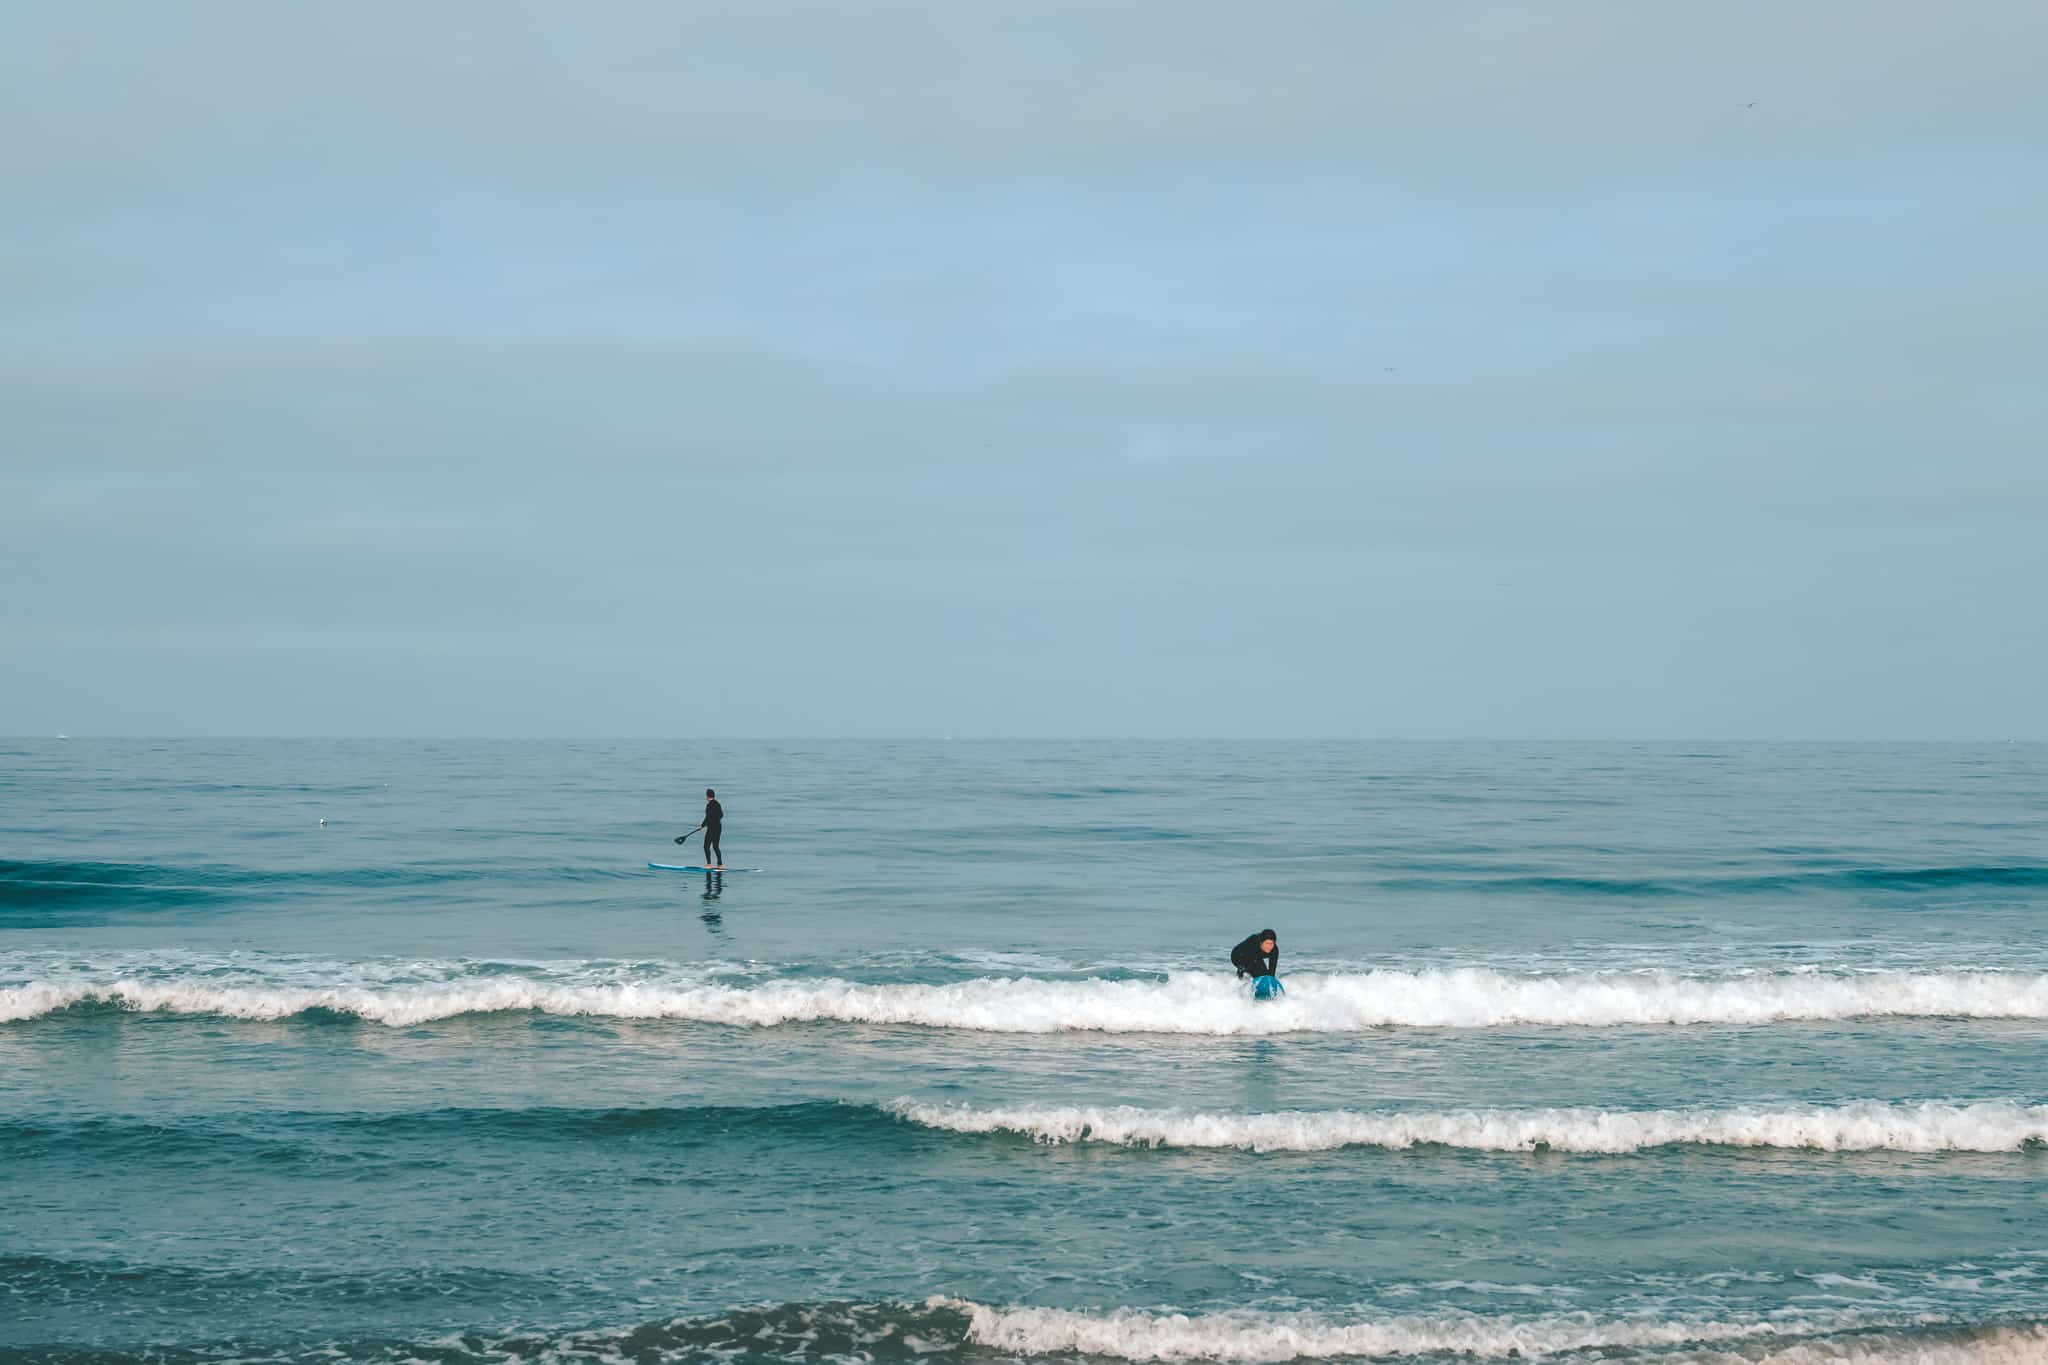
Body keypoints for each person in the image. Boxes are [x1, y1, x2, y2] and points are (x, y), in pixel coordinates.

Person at [675, 788, 725, 870]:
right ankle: (720, 865)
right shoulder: (718, 804)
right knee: (716, 846)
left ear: (707, 796)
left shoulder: (709, 805)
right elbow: (721, 815)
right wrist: (711, 823)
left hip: (712, 828)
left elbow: (708, 817)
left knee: (706, 846)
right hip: (718, 827)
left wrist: (702, 825)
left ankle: (709, 865)